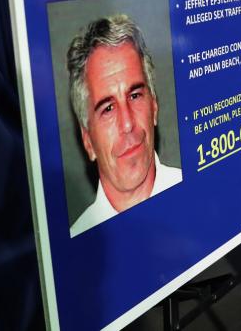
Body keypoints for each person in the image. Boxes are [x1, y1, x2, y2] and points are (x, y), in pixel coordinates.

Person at [67, 14, 182, 237]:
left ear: (155, 106)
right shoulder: (74, 253)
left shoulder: (202, 195)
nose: (127, 123)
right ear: (88, 141)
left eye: (135, 95)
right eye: (108, 109)